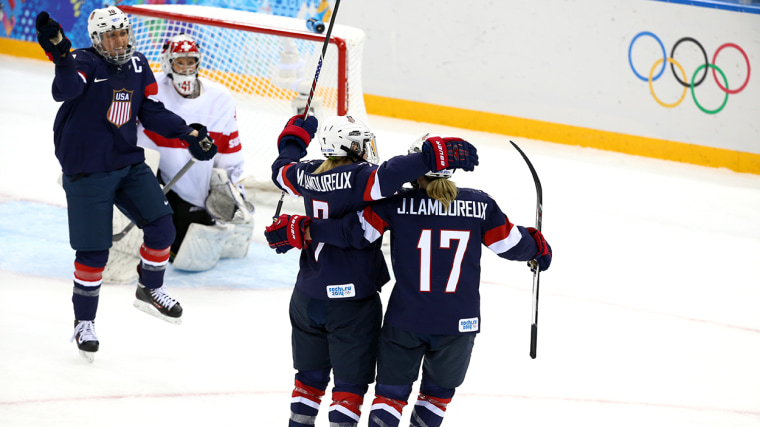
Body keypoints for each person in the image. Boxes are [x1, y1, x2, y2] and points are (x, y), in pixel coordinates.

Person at [268, 135, 553, 427]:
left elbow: (353, 233)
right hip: (460, 324)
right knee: (436, 397)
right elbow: (509, 244)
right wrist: (537, 247)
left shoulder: (394, 204)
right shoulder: (480, 205)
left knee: (389, 399)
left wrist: (304, 229)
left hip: (406, 321)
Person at [266, 116, 479, 426]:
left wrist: (295, 139)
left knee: (309, 380)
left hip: (306, 297)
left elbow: (280, 171)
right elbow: (391, 175)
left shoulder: (307, 172)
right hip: (350, 302)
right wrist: (431, 157)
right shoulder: (359, 177)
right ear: (352, 146)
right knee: (348, 389)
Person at [35, 6, 218, 362]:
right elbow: (65, 91)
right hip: (87, 169)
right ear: (96, 39)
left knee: (163, 229)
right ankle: (84, 323)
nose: (119, 41)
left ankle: (150, 287)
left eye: (122, 33)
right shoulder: (84, 62)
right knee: (93, 255)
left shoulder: (137, 64)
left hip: (126, 161)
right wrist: (61, 57)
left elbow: (149, 111)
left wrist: (187, 132)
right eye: (111, 35)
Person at [131, 33, 253, 272]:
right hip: (156, 183)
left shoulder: (221, 99)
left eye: (191, 61)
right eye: (180, 61)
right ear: (168, 63)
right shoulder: (151, 91)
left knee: (193, 258)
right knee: (163, 242)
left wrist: (231, 186)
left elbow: (230, 149)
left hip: (196, 193)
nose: (186, 67)